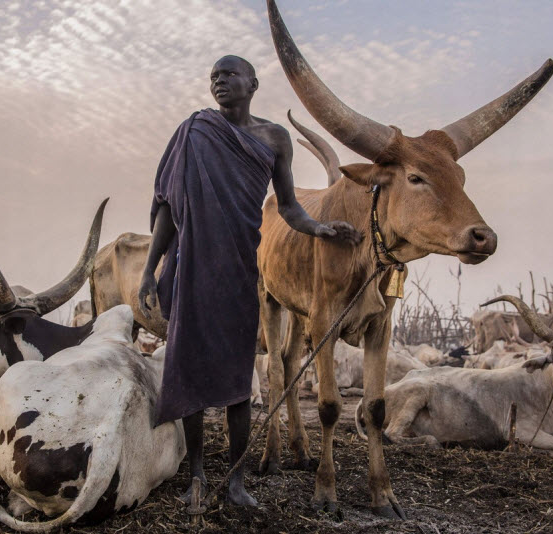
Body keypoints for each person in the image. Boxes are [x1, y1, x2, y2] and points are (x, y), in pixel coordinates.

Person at [138, 55, 360, 507]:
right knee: (191, 373)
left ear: (252, 83)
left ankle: (235, 481)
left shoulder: (274, 138)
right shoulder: (195, 131)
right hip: (192, 265)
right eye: (213, 76)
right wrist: (150, 267)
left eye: (228, 75)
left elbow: (290, 206)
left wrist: (320, 227)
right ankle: (197, 476)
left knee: (240, 380)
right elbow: (167, 207)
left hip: (240, 267)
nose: (219, 82)